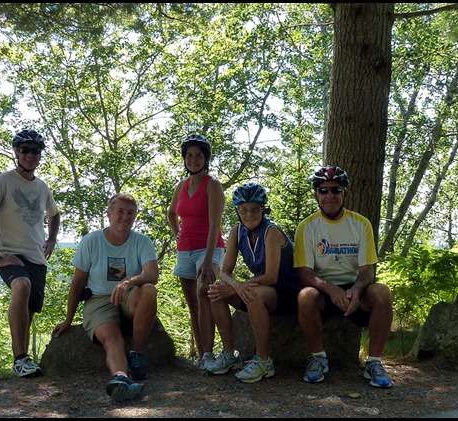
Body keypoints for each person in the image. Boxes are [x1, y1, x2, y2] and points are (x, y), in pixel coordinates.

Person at [0, 128, 60, 378]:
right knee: (21, 285)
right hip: (11, 254)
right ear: (17, 153)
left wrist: (51, 239)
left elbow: (54, 214)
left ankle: (22, 362)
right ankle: (20, 358)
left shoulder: (42, 187)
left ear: (41, 155)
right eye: (25, 150)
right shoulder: (2, 182)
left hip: (37, 258)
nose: (31, 155)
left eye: (36, 151)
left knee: (28, 312)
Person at [293, 165, 394, 388]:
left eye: (336, 190)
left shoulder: (361, 223)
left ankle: (374, 363)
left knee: (382, 293)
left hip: (355, 290)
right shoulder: (307, 227)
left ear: (346, 193)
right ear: (316, 194)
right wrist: (331, 290)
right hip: (323, 291)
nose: (329, 196)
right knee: (305, 296)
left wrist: (356, 291)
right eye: (323, 190)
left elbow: (367, 269)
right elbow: (305, 273)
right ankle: (318, 358)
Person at [52, 192, 158, 403]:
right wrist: (69, 319)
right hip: (99, 300)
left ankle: (136, 354)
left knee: (148, 290)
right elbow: (77, 283)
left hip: (129, 296)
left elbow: (152, 275)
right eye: (119, 212)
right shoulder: (91, 241)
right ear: (109, 214)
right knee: (112, 338)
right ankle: (120, 378)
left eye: (130, 213)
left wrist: (128, 281)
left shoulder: (142, 242)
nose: (125, 217)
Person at [206, 183, 301, 382]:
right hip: (260, 287)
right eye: (244, 209)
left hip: (286, 292)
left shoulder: (271, 232)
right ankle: (229, 354)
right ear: (238, 211)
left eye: (255, 209)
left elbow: (271, 277)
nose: (249, 214)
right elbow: (225, 272)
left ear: (263, 209)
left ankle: (263, 360)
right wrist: (233, 285)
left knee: (253, 294)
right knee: (216, 290)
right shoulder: (236, 232)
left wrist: (239, 286)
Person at [167, 134, 226, 370]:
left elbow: (215, 225)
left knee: (205, 293)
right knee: (193, 303)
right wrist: (177, 234)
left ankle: (213, 353)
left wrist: (209, 259)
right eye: (189, 155)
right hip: (185, 249)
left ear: (206, 158)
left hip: (209, 247)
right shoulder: (181, 185)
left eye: (198, 155)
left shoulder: (212, 185)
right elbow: (172, 213)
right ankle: (202, 356)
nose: (193, 160)